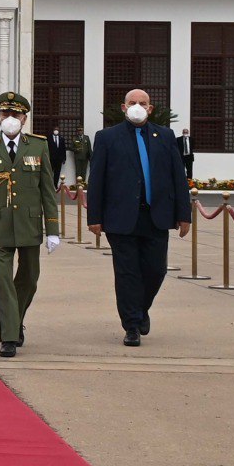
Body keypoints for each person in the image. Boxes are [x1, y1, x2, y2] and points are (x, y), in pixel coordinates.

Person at [87, 89, 191, 347]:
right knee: (127, 273)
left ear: (150, 108)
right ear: (123, 108)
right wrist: (94, 217)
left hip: (156, 216)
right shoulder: (107, 137)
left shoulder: (165, 136)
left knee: (156, 270)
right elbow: (97, 178)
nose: (137, 107)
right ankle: (132, 325)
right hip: (120, 218)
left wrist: (184, 215)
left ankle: (141, 308)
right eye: (132, 103)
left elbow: (178, 177)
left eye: (142, 103)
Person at [0, 92, 60, 358]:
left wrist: (52, 230)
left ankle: (15, 319)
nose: (10, 119)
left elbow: (47, 192)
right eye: (5, 114)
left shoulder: (38, 146)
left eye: (15, 115)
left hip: (30, 224)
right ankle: (9, 336)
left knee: (30, 278)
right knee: (4, 281)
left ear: (24, 118)